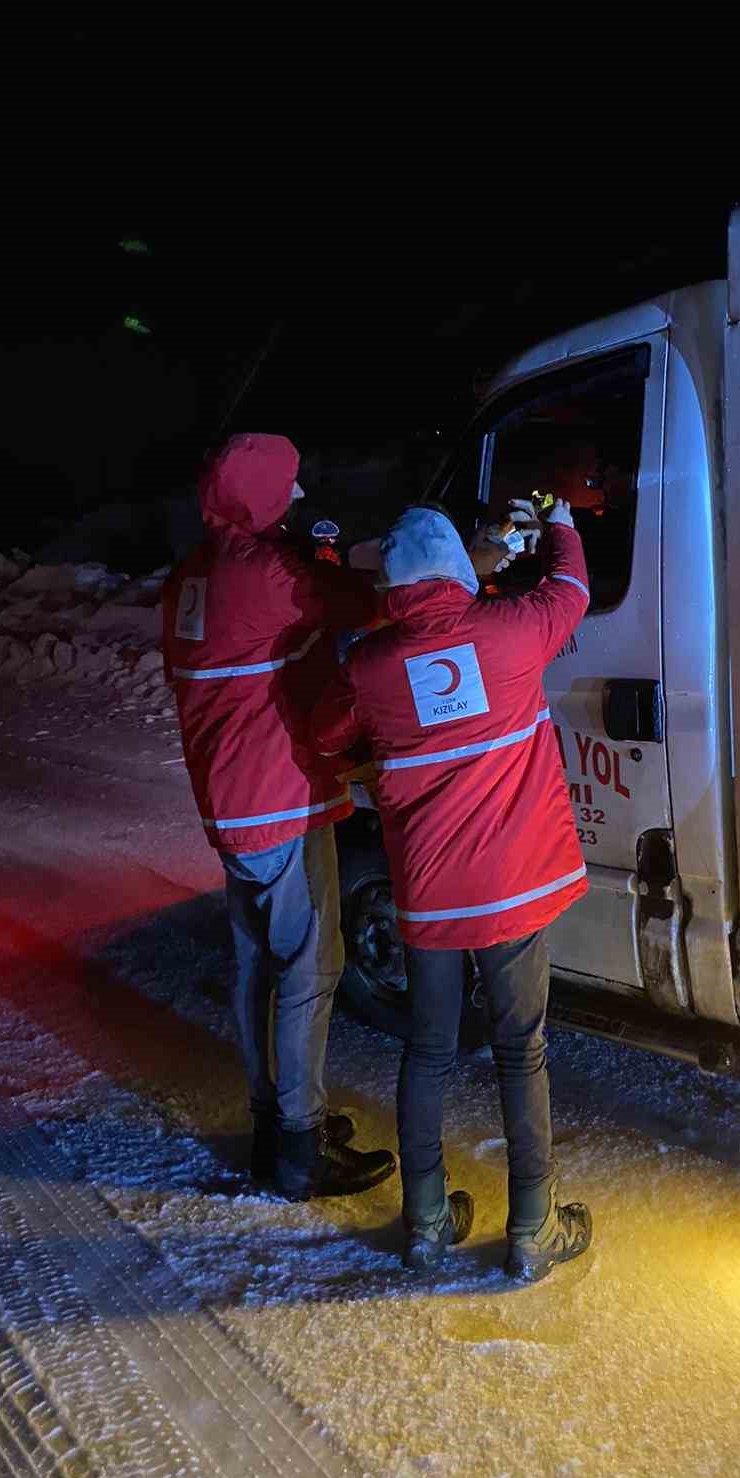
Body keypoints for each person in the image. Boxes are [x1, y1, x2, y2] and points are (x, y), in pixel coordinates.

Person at [311, 498, 593, 1281]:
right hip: (513, 888)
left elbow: (324, 736)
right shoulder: (513, 631)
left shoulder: (371, 666)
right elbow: (572, 588)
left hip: (431, 895)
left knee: (429, 1049)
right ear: (458, 570)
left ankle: (427, 1226)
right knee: (520, 1050)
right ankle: (532, 1229)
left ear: (394, 583)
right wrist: (562, 522)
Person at [162, 432, 396, 1201]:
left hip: (230, 801)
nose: (297, 498)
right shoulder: (266, 574)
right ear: (258, 495)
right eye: (287, 486)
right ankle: (300, 1146)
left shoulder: (194, 574)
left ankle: (274, 1120)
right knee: (311, 965)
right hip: (279, 800)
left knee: (258, 965)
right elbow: (366, 604)